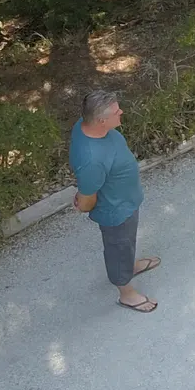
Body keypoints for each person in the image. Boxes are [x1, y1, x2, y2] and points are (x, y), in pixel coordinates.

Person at [70, 90, 159, 312]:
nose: (122, 112)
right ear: (101, 120)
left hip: (126, 201)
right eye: (116, 111)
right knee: (118, 248)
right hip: (115, 211)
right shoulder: (92, 159)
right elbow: (87, 200)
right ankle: (126, 293)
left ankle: (130, 265)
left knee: (126, 243)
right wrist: (82, 201)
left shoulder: (88, 124)